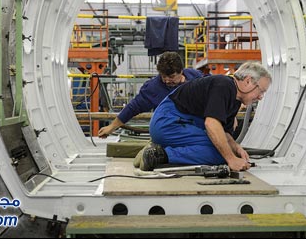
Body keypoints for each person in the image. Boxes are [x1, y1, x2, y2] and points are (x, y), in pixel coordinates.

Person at [142, 61, 271, 172]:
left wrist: (236, 148)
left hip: (174, 123)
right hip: (168, 122)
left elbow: (224, 133)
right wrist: (231, 159)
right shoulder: (224, 86)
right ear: (248, 81)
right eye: (261, 91)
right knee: (221, 153)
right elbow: (211, 124)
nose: (261, 97)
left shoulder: (234, 99)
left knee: (224, 149)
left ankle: (159, 151)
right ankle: (159, 156)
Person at [97, 52, 203, 138]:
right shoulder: (153, 88)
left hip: (198, 125)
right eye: (163, 76)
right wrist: (112, 127)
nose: (167, 81)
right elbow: (133, 107)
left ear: (181, 71)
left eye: (171, 77)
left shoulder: (196, 77)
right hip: (174, 130)